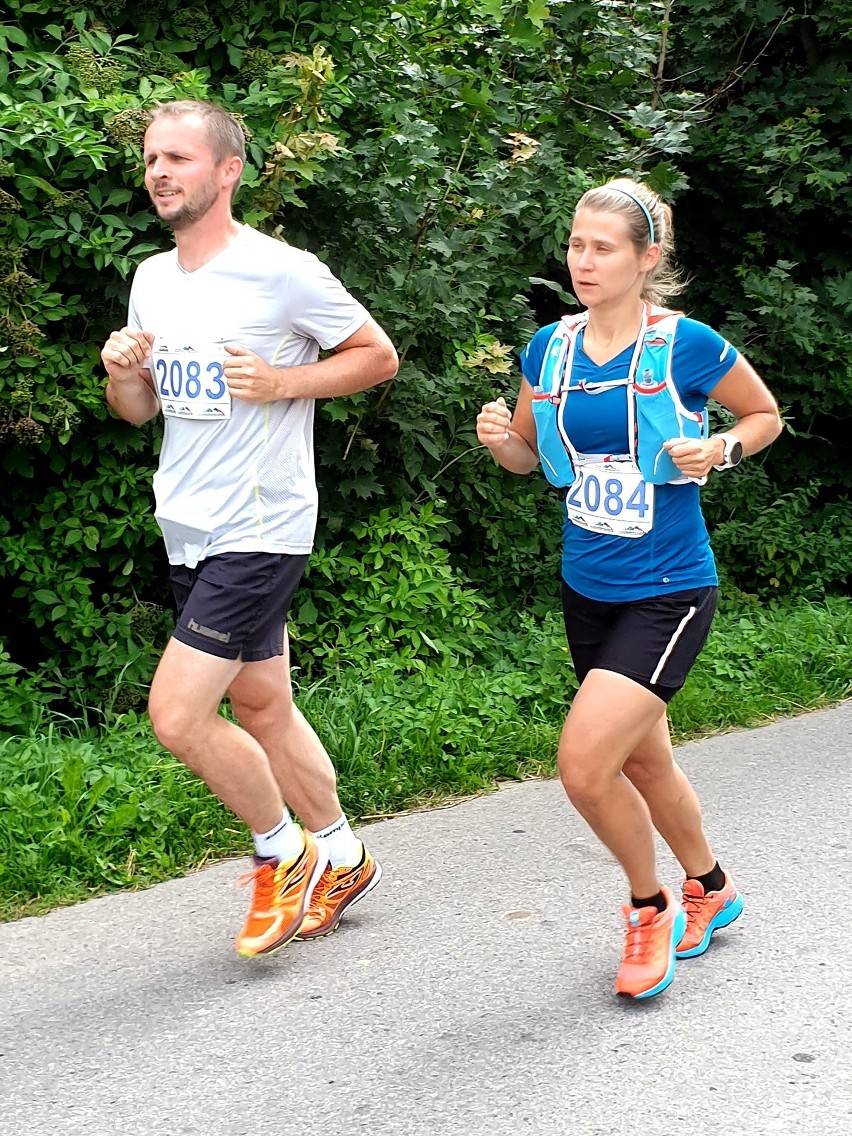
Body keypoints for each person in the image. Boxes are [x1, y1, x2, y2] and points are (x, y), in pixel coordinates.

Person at [101, 100, 398, 958]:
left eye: (178, 159)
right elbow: (136, 412)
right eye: (153, 159)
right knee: (263, 703)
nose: (159, 172)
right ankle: (342, 855)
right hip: (186, 522)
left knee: (177, 715)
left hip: (261, 525)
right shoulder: (154, 279)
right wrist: (122, 370)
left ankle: (283, 851)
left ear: (227, 171)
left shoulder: (282, 270)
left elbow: (376, 355)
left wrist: (279, 383)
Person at [476, 178, 782, 1000]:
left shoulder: (687, 345)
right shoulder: (549, 349)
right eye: (576, 243)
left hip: (671, 588)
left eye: (602, 247)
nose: (583, 260)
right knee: (645, 762)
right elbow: (527, 460)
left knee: (583, 767)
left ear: (648, 259)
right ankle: (712, 888)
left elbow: (764, 416)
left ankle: (649, 909)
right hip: (589, 585)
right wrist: (500, 438)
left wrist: (720, 451)